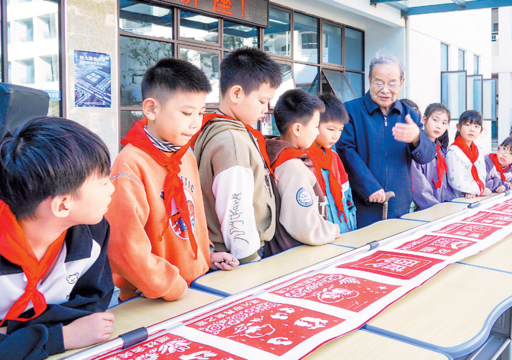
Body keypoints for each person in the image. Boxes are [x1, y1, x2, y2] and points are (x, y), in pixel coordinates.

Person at [107, 58, 237, 303]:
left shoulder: (185, 155)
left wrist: (206, 254)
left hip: (194, 286)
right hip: (152, 298)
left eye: (200, 112)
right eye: (187, 113)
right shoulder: (130, 164)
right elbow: (124, 247)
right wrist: (168, 284)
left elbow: (192, 214)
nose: (195, 122)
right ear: (151, 109)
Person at [0, 117, 115, 358]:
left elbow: (93, 304)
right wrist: (60, 337)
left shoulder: (92, 232)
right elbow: (76, 325)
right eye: (103, 181)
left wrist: (12, 336)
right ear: (63, 205)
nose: (112, 188)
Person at [194, 47, 294, 264]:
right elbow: (235, 211)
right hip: (238, 256)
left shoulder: (216, 128)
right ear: (236, 93)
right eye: (261, 101)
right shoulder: (232, 140)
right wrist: (250, 260)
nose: (266, 109)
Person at [337, 51, 436, 226]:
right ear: (369, 81)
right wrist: (370, 187)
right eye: (379, 83)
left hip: (400, 205)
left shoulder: (409, 114)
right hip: (364, 205)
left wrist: (416, 138)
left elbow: (428, 156)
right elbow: (346, 151)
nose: (385, 90)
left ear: (401, 83)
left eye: (392, 83)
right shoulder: (351, 111)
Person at [266, 89, 340, 245]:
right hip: (293, 251)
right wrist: (331, 230)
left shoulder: (273, 151)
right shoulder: (292, 166)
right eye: (315, 126)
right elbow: (304, 226)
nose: (317, 131)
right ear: (297, 129)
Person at [309, 94, 357, 233]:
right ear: (315, 124)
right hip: (319, 235)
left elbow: (347, 197)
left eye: (340, 130)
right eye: (331, 129)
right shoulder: (303, 158)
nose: (336, 136)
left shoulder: (334, 157)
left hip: (343, 229)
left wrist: (351, 224)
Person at [411, 103, 455, 210]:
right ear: (424, 119)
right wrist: (436, 208)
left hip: (441, 208)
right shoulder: (417, 150)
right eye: (435, 120)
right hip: (426, 210)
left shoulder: (442, 151)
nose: (439, 126)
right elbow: (419, 188)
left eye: (444, 123)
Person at [447, 110, 491, 199]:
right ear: (458, 127)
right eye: (467, 125)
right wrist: (479, 190)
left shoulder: (478, 151)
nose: (472, 129)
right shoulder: (454, 151)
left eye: (476, 126)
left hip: (475, 195)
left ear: (480, 131)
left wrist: (474, 191)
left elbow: (482, 174)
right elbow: (455, 181)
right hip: (458, 197)